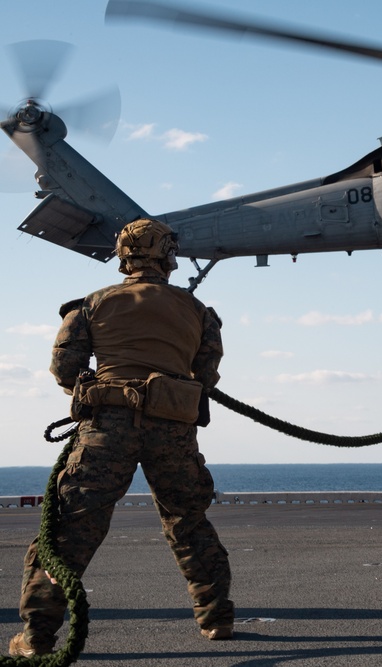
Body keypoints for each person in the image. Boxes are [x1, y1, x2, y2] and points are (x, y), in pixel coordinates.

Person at [9, 218, 235, 658]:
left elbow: (64, 369)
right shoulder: (198, 311)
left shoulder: (91, 305)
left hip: (106, 430)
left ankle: (37, 636)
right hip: (173, 430)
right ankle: (216, 618)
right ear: (168, 257)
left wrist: (99, 387)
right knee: (188, 521)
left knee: (73, 527)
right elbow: (205, 376)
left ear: (122, 256)